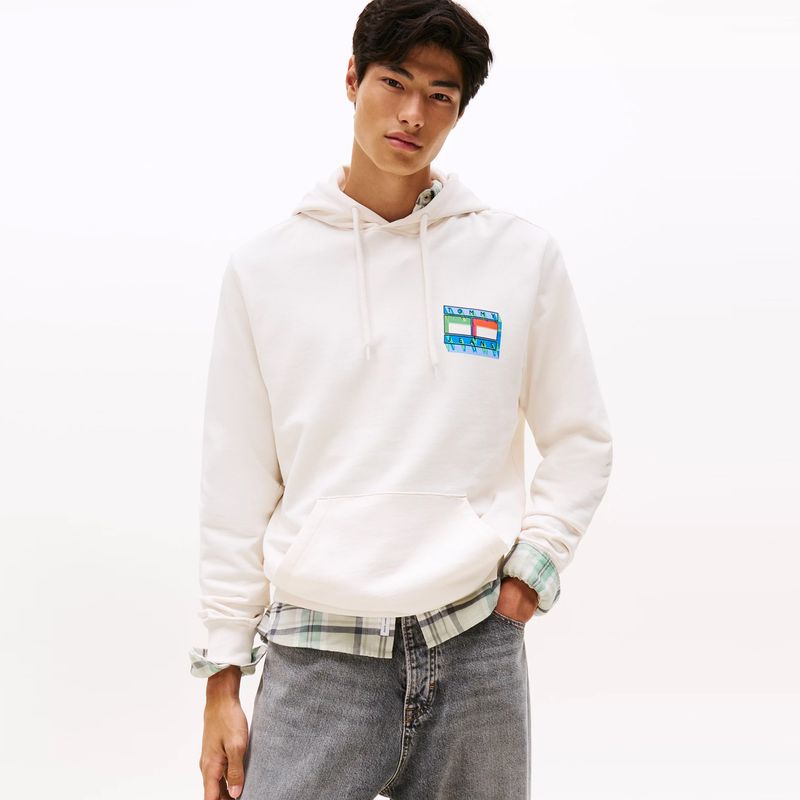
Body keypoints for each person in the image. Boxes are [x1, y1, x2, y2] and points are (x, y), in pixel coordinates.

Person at [190, 1, 613, 798]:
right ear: (353, 79)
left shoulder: (517, 257)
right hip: (317, 659)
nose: (413, 113)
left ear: (459, 110)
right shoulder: (265, 271)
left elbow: (581, 438)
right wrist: (222, 676)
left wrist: (533, 570)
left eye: (440, 95)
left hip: (475, 647)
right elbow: (234, 486)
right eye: (395, 82)